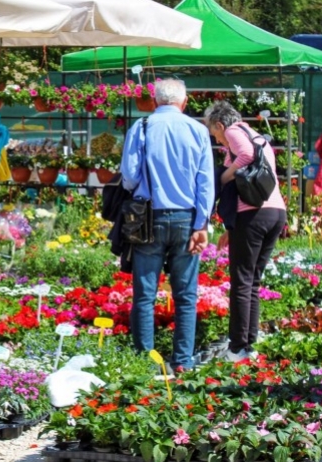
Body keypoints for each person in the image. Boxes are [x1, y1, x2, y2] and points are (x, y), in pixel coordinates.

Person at [120, 79, 214, 373]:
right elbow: (205, 182)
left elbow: (129, 176)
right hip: (187, 219)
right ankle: (183, 361)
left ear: (155, 100)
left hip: (148, 218)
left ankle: (145, 363)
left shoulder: (141, 128)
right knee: (186, 295)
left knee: (145, 294)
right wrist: (202, 224)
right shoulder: (198, 130)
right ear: (184, 103)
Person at [203, 100, 287, 362]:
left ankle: (237, 348)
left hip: (253, 213)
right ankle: (249, 343)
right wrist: (231, 227)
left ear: (219, 124)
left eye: (214, 133)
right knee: (253, 281)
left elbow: (247, 157)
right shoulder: (258, 136)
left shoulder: (233, 131)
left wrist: (223, 177)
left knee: (241, 281)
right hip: (274, 213)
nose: (218, 139)